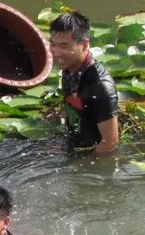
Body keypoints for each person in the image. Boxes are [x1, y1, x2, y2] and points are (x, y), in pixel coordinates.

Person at [49, 11, 119, 155]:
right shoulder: (69, 70)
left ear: (85, 44)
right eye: (53, 44)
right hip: (74, 144)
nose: (56, 52)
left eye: (64, 46)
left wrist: (81, 167)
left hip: (92, 156)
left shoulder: (101, 87)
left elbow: (110, 143)